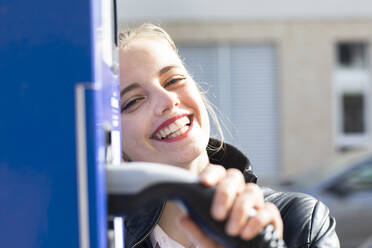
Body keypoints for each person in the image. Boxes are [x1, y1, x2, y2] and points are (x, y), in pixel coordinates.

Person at [118, 23, 340, 248]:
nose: (167, 101)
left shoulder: (300, 222)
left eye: (174, 80)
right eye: (133, 101)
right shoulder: (106, 239)